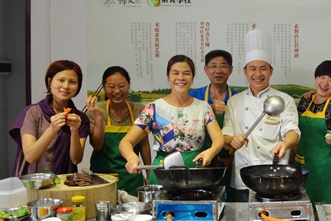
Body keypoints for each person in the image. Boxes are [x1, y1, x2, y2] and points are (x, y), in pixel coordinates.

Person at [120, 55, 224, 184]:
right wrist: (131, 157)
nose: (181, 78)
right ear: (168, 76)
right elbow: (126, 142)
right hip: (163, 174)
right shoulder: (154, 108)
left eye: (186, 73)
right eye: (175, 73)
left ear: (192, 77)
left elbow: (218, 138)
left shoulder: (202, 107)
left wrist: (211, 152)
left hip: (195, 174)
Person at [222, 29, 300, 202]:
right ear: (245, 71)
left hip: (275, 176)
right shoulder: (234, 102)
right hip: (243, 178)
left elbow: (292, 130)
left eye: (263, 68)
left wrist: (286, 143)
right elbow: (225, 135)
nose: (258, 74)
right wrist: (232, 140)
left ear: (271, 70)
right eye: (253, 69)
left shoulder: (284, 100)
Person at [10, 60, 90, 175]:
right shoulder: (32, 112)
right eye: (61, 80)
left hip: (64, 183)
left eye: (72, 82)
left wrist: (74, 131)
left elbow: (76, 159)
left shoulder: (80, 118)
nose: (66, 86)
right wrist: (52, 130)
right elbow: (30, 156)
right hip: (33, 182)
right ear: (49, 81)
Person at [85, 66, 152, 196]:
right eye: (111, 86)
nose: (117, 91)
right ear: (104, 87)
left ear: (129, 85)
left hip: (132, 177)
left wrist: (149, 174)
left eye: (122, 86)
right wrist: (98, 116)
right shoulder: (96, 111)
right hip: (103, 177)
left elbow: (144, 145)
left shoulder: (139, 109)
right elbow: (96, 145)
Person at [294, 60, 331, 203]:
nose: (325, 83)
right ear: (316, 78)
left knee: (325, 210)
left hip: (327, 169)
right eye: (322, 77)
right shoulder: (305, 100)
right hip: (302, 164)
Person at [189, 50, 238, 200]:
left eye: (223, 66)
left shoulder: (238, 98)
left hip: (231, 164)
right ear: (206, 70)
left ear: (231, 70)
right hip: (201, 162)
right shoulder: (194, 97)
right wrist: (209, 108)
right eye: (213, 66)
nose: (218, 71)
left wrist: (233, 158)